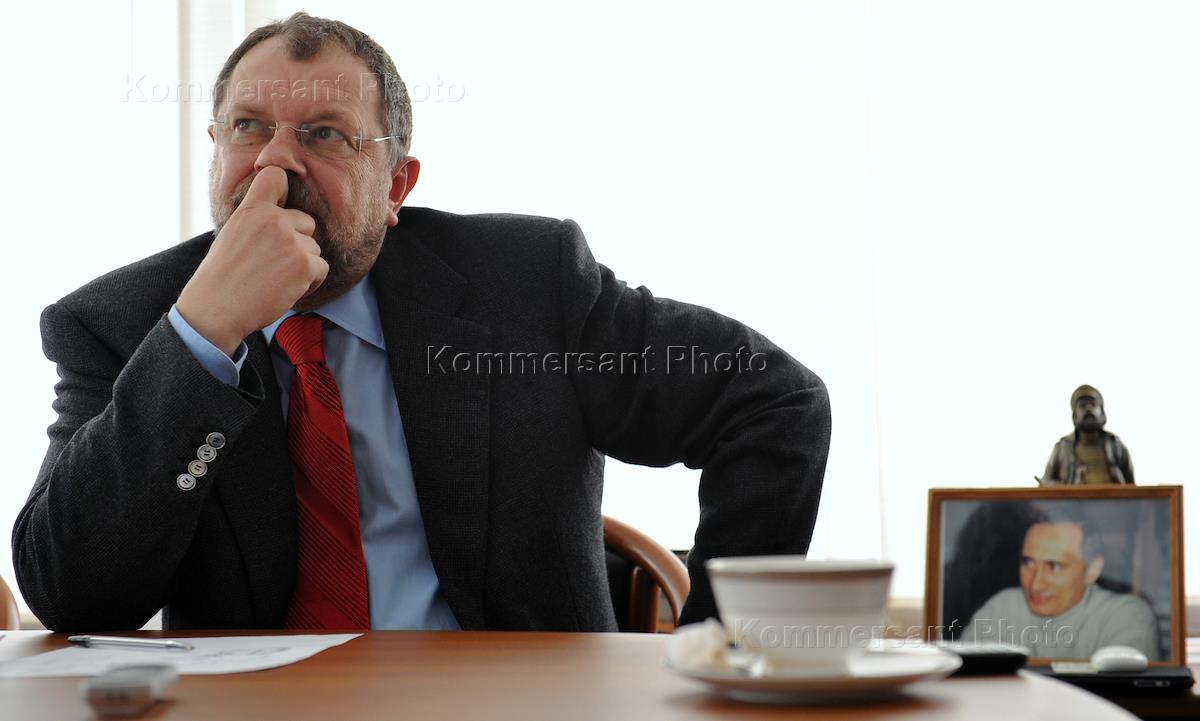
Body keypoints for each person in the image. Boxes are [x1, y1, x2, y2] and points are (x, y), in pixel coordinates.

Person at [11, 13, 830, 632]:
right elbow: (73, 595)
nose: (274, 162)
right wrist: (202, 335)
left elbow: (772, 401)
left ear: (396, 185)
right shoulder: (121, 323)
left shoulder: (527, 285)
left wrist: (720, 649)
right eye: (248, 127)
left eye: (324, 135)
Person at [962, 513, 1159, 659]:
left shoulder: (1125, 616)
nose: (1035, 584)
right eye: (1028, 563)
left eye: (1054, 566)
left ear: (1092, 570)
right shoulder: (1003, 608)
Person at [1039, 385, 1134, 485]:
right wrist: (1067, 488)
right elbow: (1045, 482)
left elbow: (1132, 487)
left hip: (1113, 495)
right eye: (1082, 406)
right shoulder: (1063, 447)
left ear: (1102, 412)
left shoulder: (1116, 446)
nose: (1088, 409)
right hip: (1074, 495)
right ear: (1075, 415)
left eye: (1093, 404)